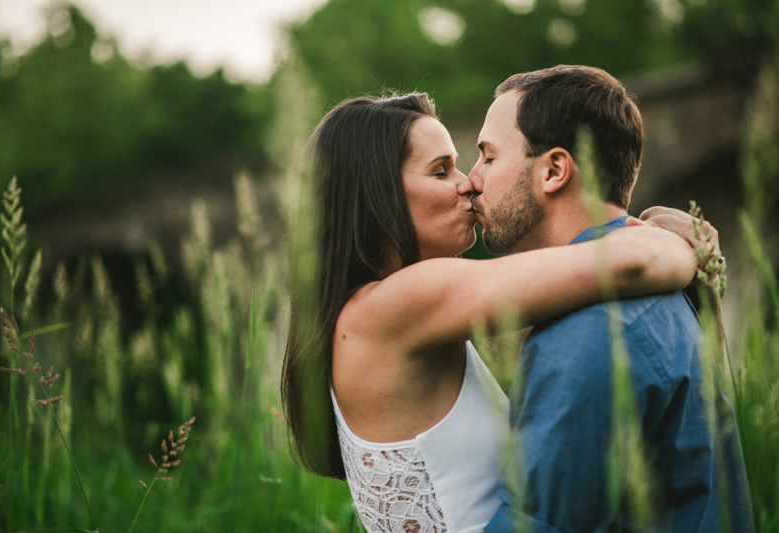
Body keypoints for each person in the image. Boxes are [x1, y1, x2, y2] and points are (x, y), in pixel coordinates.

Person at [281, 92, 704, 533]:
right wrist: (682, 241)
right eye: (441, 170)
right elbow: (630, 264)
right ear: (377, 193)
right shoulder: (399, 304)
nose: (467, 183)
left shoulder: (380, 316)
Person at [467, 65, 754, 533]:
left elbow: (536, 525)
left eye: (488, 158)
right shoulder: (652, 290)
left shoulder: (595, 327)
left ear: (554, 170)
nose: (471, 179)